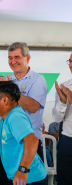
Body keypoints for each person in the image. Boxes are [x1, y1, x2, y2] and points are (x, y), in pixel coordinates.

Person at [0, 42, 48, 161]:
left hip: (29, 142)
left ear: (27, 58)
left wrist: (9, 88)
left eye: (17, 57)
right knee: (3, 179)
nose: (13, 61)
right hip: (7, 141)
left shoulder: (38, 80)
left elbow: (33, 107)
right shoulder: (7, 79)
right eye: (10, 58)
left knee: (29, 179)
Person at [0, 81, 47, 185]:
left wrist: (22, 170)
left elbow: (32, 140)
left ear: (5, 100)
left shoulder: (15, 117)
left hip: (29, 179)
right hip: (20, 179)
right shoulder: (6, 115)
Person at [52, 53, 72, 185]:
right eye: (69, 61)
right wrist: (62, 102)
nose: (70, 65)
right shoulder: (64, 86)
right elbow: (57, 118)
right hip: (67, 141)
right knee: (65, 181)